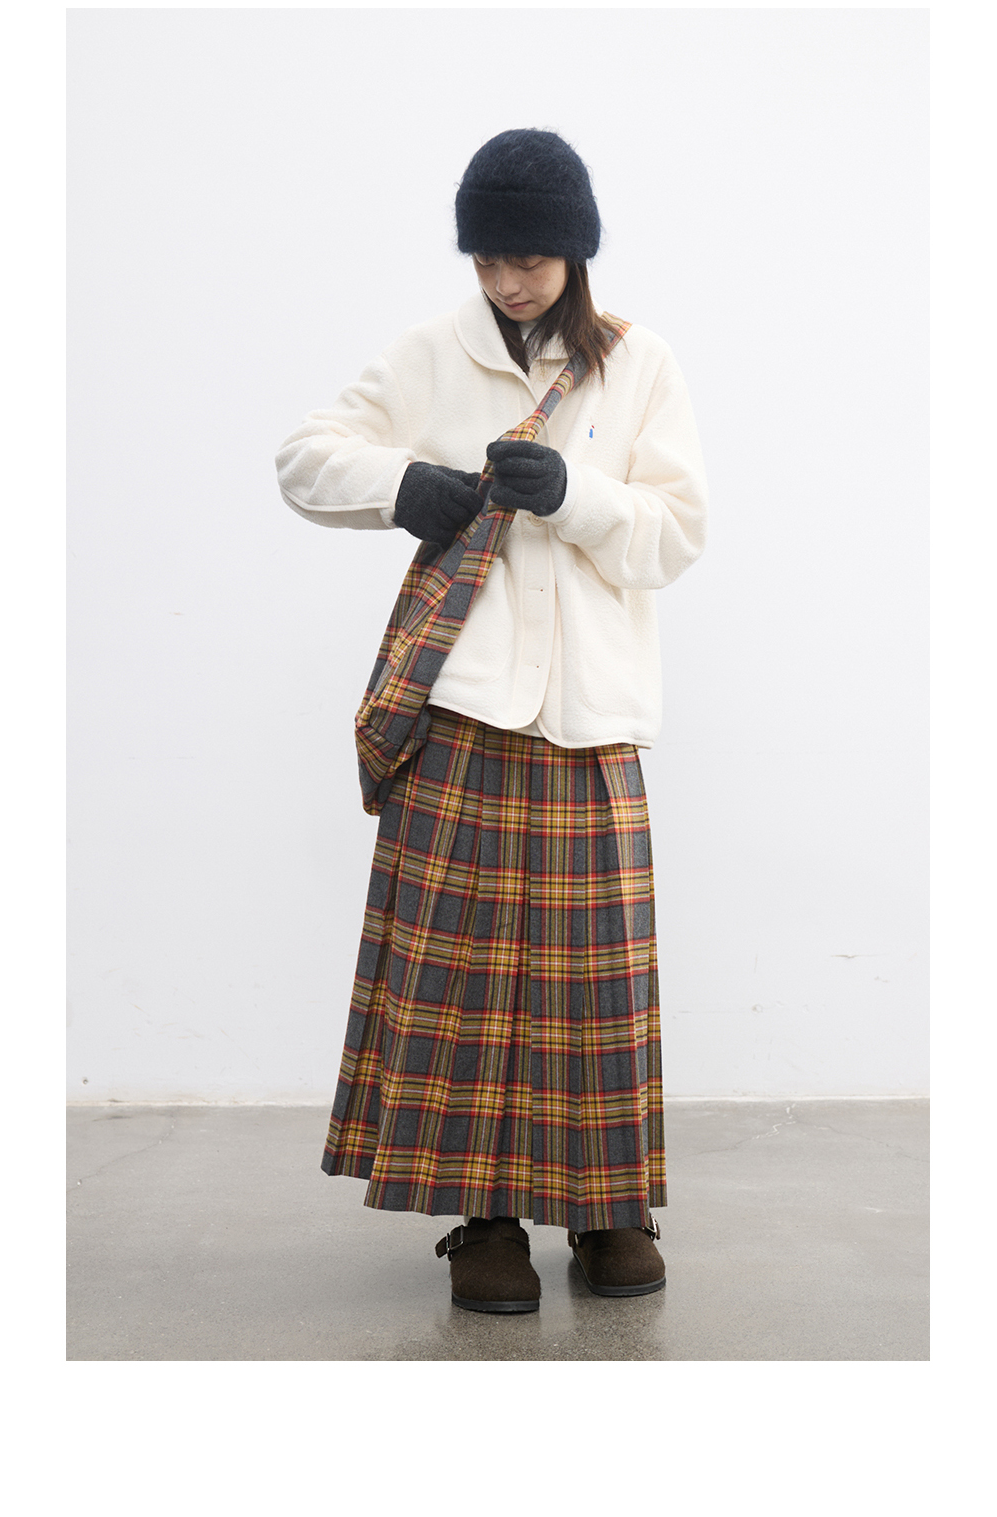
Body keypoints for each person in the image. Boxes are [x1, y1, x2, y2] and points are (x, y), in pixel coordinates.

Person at [276, 128, 708, 1315]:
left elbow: (676, 533)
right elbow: (303, 458)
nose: (507, 281)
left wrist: (575, 495)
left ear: (574, 251)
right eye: (486, 258)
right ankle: (485, 1218)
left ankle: (609, 1207)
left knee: (593, 993)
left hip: (589, 717)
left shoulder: (640, 364)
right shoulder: (433, 353)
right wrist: (400, 487)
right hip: (464, 708)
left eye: (529, 257)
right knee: (458, 988)